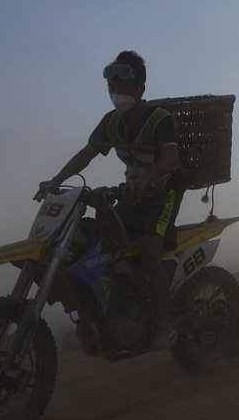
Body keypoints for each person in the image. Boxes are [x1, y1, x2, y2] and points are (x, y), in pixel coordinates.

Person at [37, 50, 184, 349]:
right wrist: (56, 180)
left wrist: (147, 178)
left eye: (124, 86)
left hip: (162, 193)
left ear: (141, 89)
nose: (117, 92)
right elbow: (87, 154)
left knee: (148, 252)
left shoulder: (159, 119)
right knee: (100, 246)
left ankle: (166, 321)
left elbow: (171, 158)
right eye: (112, 87)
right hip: (130, 194)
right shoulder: (111, 123)